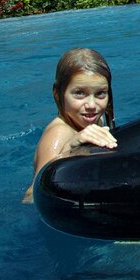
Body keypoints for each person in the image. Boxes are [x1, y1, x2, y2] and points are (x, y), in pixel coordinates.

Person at [22, 48, 118, 203]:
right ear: (57, 93)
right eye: (79, 93)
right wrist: (70, 148)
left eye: (100, 93)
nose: (92, 105)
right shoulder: (59, 133)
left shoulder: (93, 121)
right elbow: (32, 197)